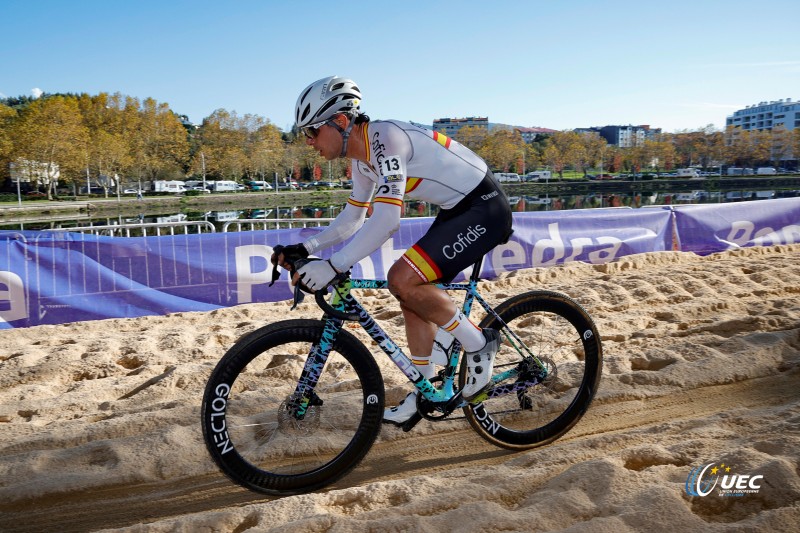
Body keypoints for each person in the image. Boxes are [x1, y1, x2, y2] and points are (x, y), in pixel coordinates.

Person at [272, 76, 513, 425]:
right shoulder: (360, 160)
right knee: (410, 294)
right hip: (456, 210)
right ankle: (426, 389)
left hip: (485, 207)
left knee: (402, 278)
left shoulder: (386, 139)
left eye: (311, 132)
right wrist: (306, 246)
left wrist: (334, 265)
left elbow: (387, 221)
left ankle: (479, 343)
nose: (308, 142)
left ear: (340, 122)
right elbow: (353, 218)